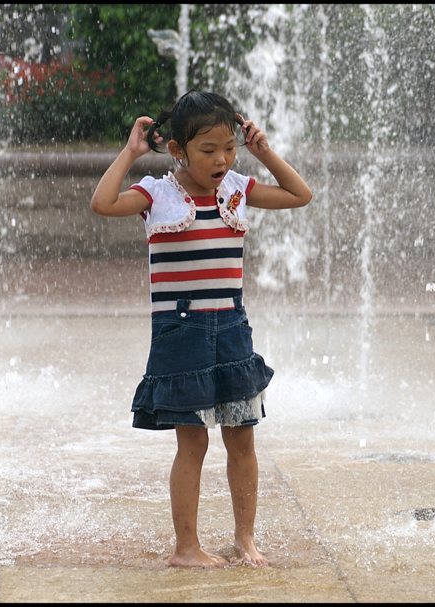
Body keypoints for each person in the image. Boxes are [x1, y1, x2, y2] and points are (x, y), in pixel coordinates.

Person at [90, 91, 312, 568]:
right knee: (193, 441)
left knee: (242, 437)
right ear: (178, 150)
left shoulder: (236, 188)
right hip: (181, 329)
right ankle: (185, 547)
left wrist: (264, 151)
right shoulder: (158, 194)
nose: (221, 159)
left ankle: (244, 539)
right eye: (208, 150)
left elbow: (301, 195)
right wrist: (131, 152)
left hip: (232, 328)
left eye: (228, 147)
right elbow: (102, 203)